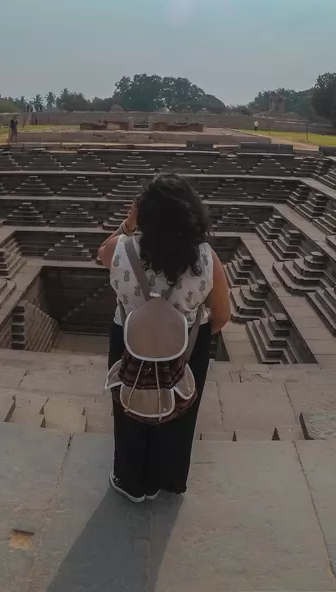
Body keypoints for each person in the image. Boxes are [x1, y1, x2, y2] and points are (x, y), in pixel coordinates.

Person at [97, 173, 231, 502]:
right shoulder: (207, 259)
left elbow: (101, 252)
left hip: (128, 341)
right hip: (185, 347)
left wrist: (128, 225)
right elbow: (222, 316)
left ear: (144, 212)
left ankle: (131, 481)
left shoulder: (120, 249)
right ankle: (168, 478)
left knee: (129, 407)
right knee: (179, 412)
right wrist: (189, 336)